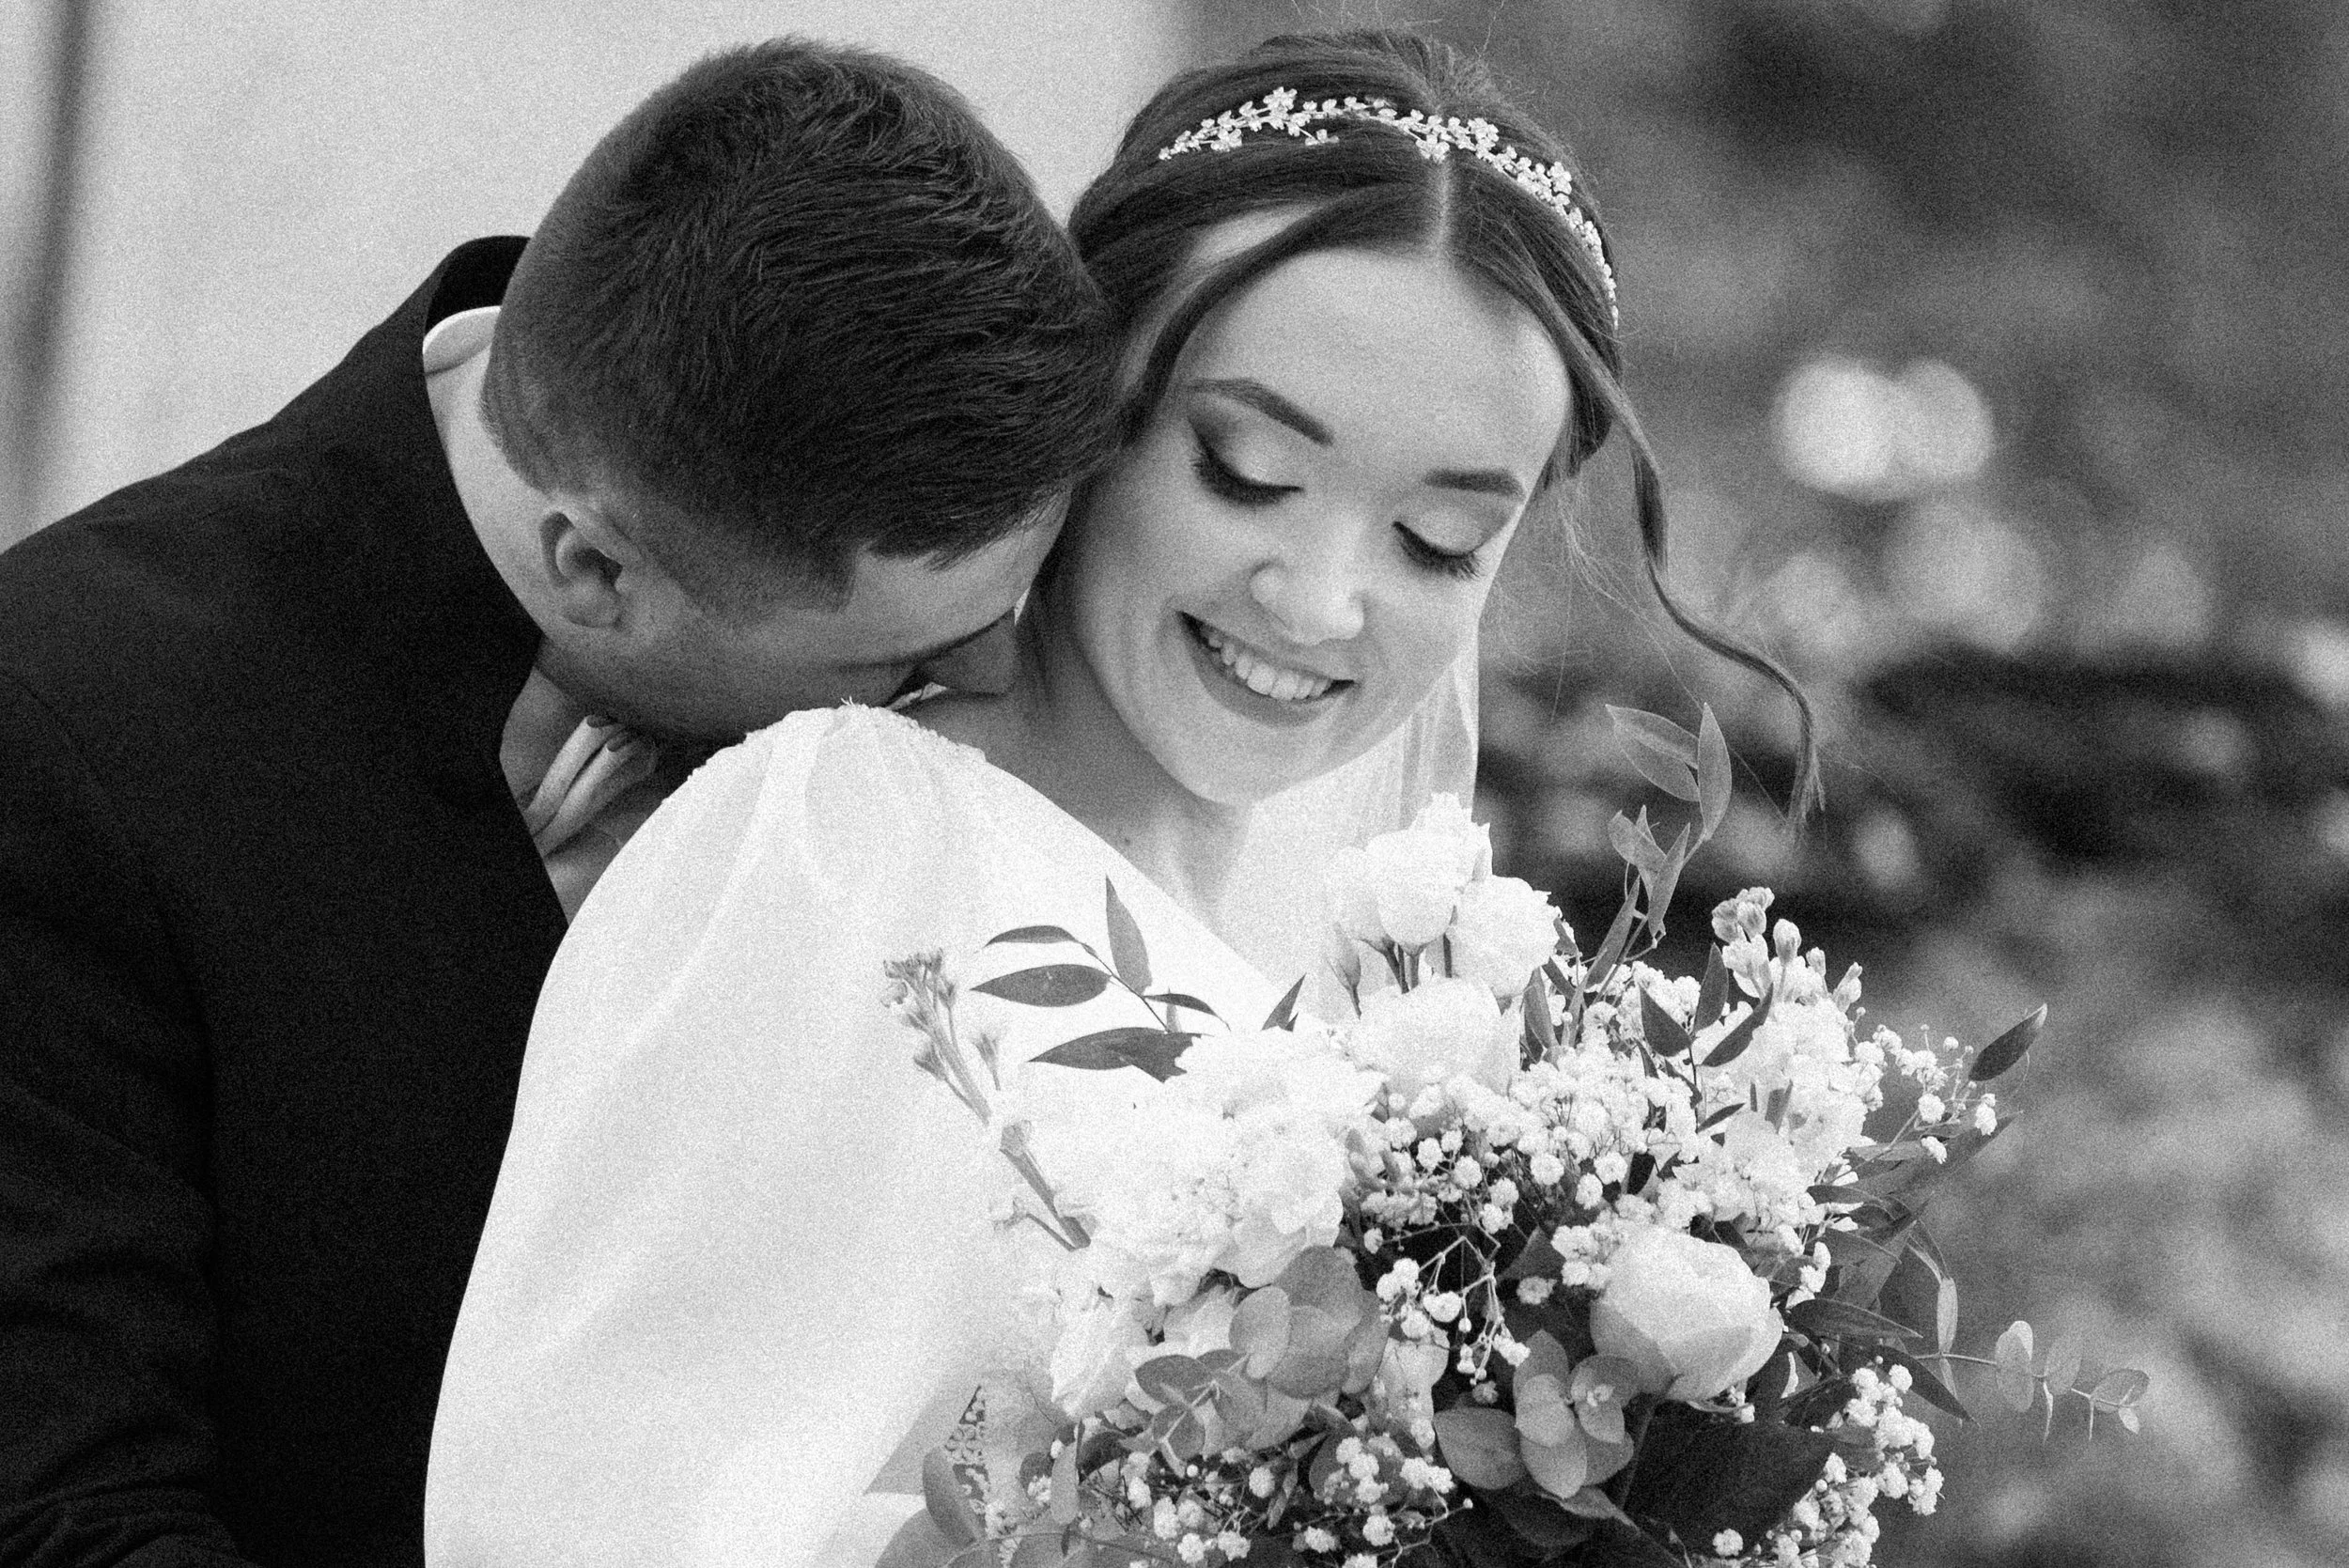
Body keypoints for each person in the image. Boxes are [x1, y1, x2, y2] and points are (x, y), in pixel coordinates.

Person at [425, 27, 1816, 1568]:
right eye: (1245, 470)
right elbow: (557, 1512)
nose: (1324, 600)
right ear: (1096, 408)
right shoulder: (829, 848)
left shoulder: (1426, 969)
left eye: (1437, 543)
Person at [0, 39, 1115, 1568]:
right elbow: (71, 1516)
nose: (992, 674)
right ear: (593, 566)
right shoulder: (66, 737)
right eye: (899, 657)